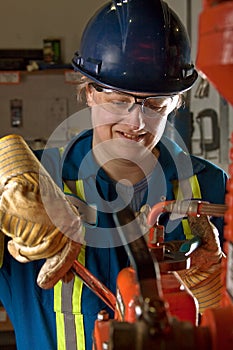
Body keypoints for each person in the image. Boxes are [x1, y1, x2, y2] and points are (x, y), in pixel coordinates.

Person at [0, 1, 227, 350]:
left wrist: (216, 297)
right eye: (119, 100)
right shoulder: (30, 188)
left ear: (176, 103)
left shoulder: (212, 187)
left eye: (154, 105)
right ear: (88, 91)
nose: (135, 123)